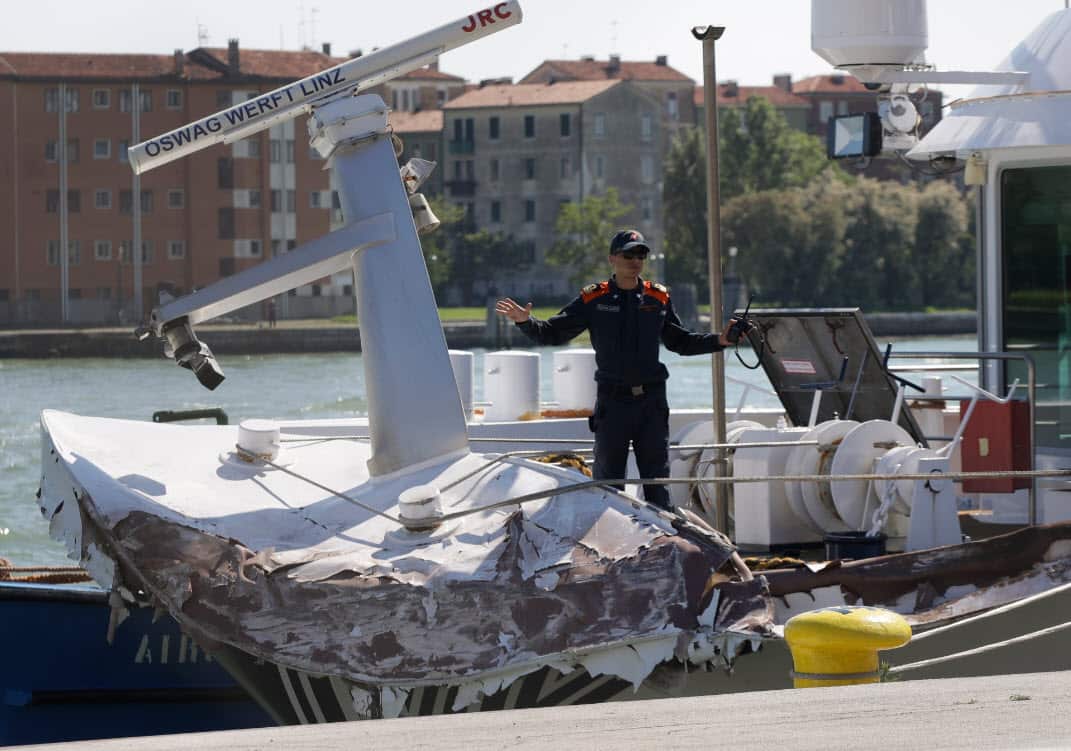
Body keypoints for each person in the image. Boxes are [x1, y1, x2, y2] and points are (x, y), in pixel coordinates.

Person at [496, 229, 739, 510]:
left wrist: (720, 340)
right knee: (607, 490)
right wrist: (525, 321)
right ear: (613, 258)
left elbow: (680, 342)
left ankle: (661, 547)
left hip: (652, 403)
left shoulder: (657, 298)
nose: (635, 260)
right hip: (613, 405)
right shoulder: (593, 299)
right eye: (628, 254)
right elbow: (551, 334)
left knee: (657, 487)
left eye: (641, 255)